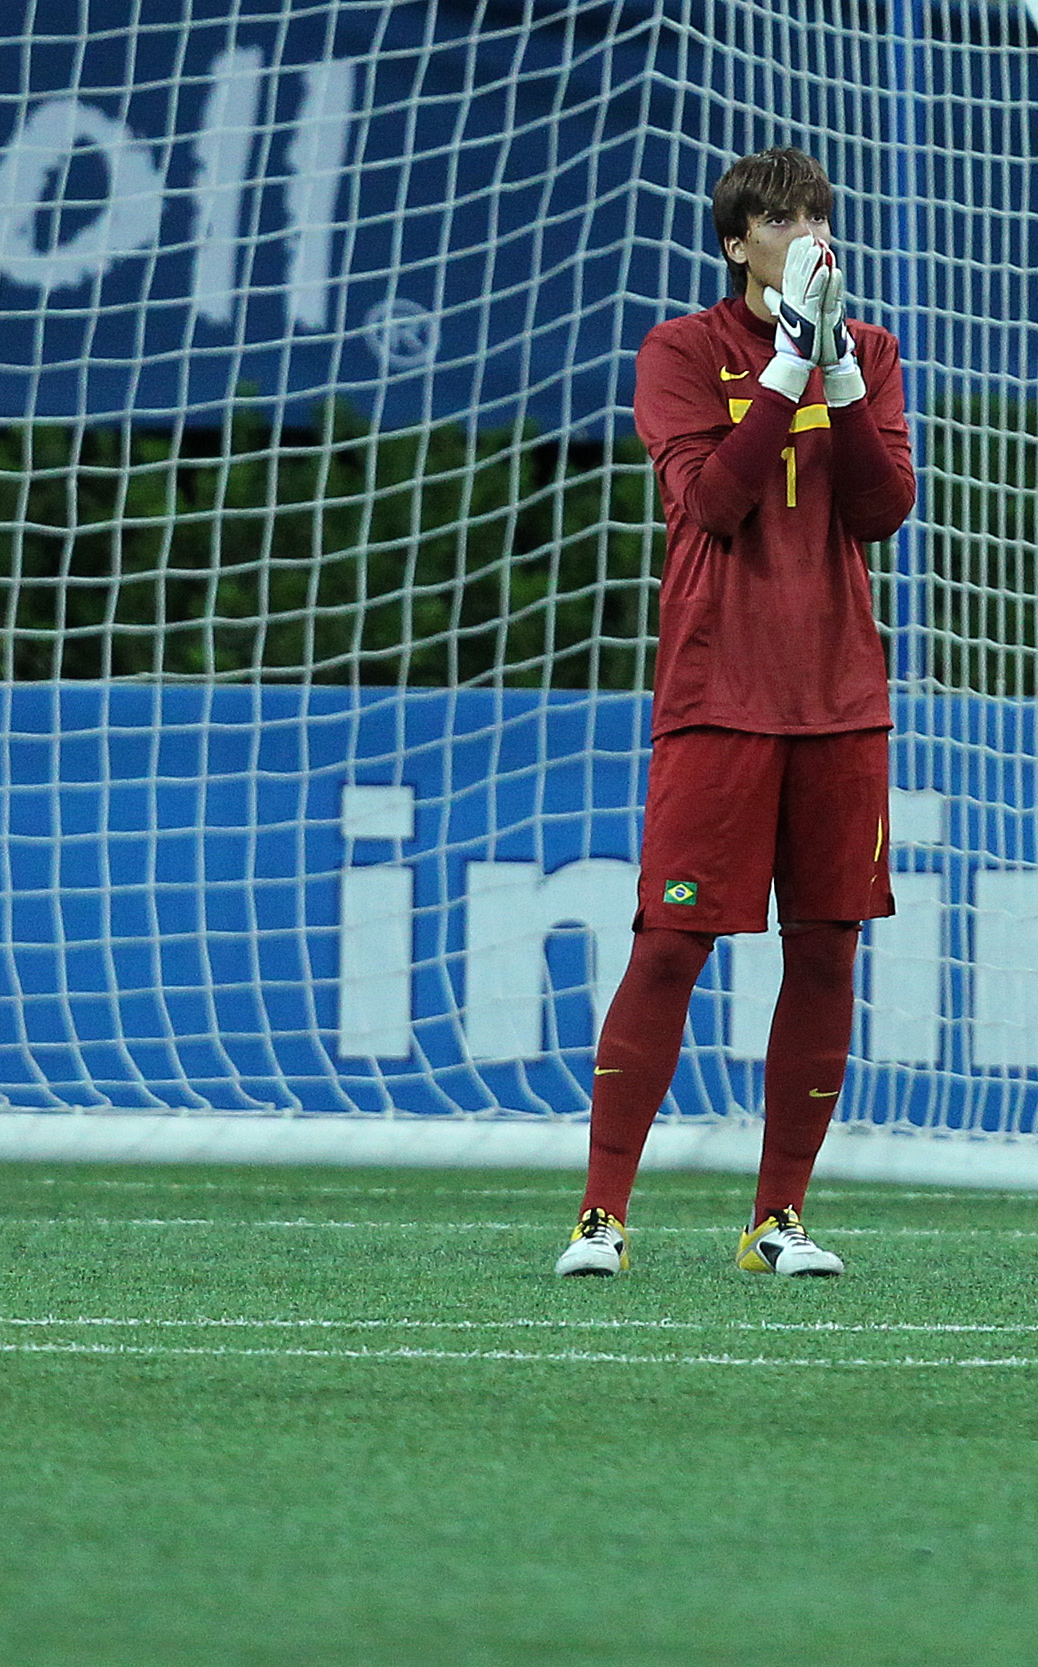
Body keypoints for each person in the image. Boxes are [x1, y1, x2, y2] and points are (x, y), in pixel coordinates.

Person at [555, 147, 915, 1278]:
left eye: (817, 215)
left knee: (825, 951)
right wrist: (787, 367)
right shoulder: (678, 350)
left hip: (839, 697)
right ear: (736, 242)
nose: (807, 234)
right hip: (719, 691)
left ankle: (777, 1220)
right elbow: (710, 499)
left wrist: (837, 376)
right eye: (781, 219)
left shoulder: (869, 351)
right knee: (670, 946)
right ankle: (601, 1215)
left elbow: (881, 507)